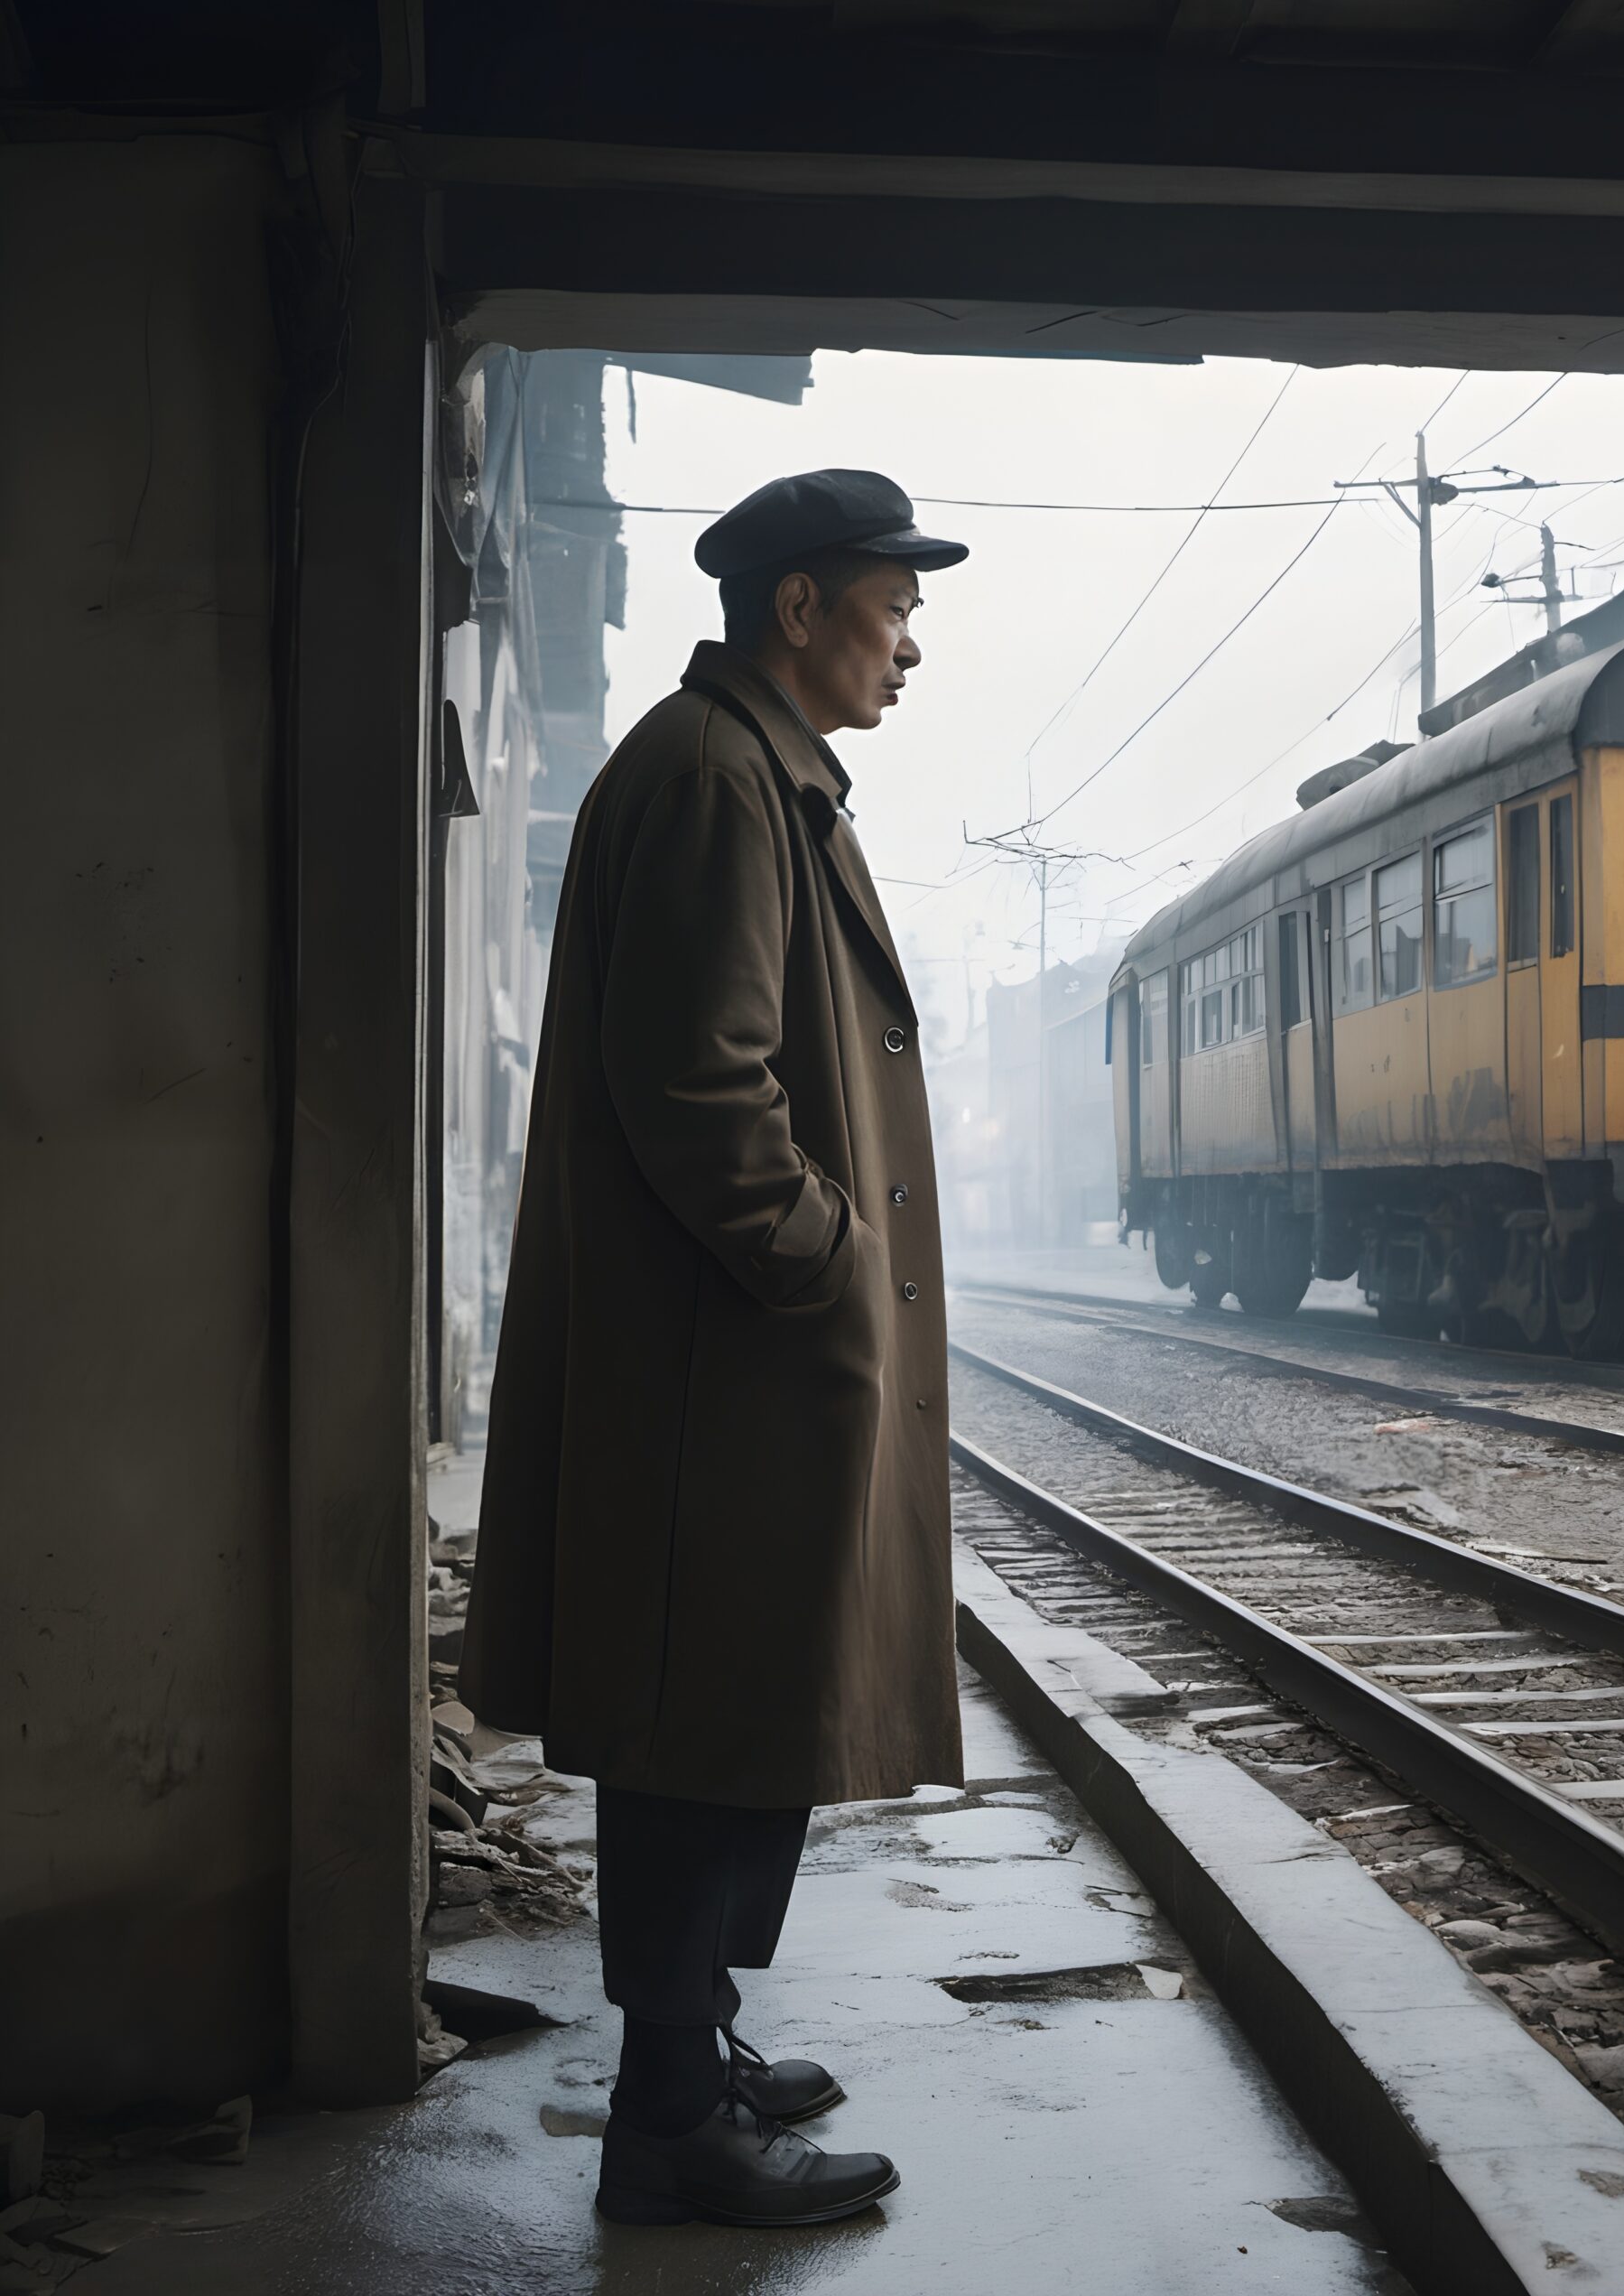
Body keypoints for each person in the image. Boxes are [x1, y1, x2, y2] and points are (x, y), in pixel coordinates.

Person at [459, 469, 969, 2228]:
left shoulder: (748, 771)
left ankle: (701, 2043)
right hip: (728, 1366)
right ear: (799, 609)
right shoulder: (712, 778)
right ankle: (670, 2117)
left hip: (736, 1364)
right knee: (703, 1721)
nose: (912, 644)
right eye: (893, 605)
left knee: (738, 1711)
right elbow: (698, 1089)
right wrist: (827, 1261)